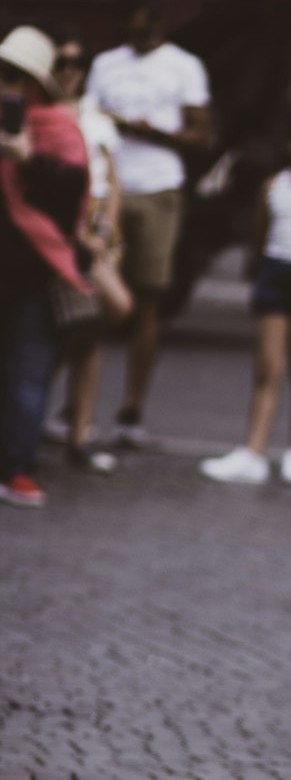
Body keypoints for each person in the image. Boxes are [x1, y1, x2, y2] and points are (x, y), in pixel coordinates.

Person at [86, 0, 211, 448]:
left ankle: (132, 406)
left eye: (147, 27)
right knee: (99, 298)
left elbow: (202, 134)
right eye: (133, 27)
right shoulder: (105, 65)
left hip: (159, 187)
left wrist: (152, 132)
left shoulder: (184, 66)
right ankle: (82, 405)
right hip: (110, 189)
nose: (141, 34)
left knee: (148, 301)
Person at [200, 110, 291, 487]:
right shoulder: (273, 186)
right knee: (268, 366)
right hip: (277, 271)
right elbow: (262, 229)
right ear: (290, 147)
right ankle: (255, 449)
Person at [0, 25, 90, 509]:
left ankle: (18, 467)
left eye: (16, 76)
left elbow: (68, 197)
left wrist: (27, 159)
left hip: (34, 268)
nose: (6, 85)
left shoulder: (57, 130)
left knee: (28, 370)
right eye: (2, 74)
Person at [44, 34, 133, 476]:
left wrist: (107, 230)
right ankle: (40, 403)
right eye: (61, 61)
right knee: (103, 312)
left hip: (98, 231)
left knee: (92, 330)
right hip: (67, 232)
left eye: (77, 62)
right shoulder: (46, 116)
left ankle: (79, 431)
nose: (68, 69)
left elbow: (113, 180)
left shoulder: (97, 119)